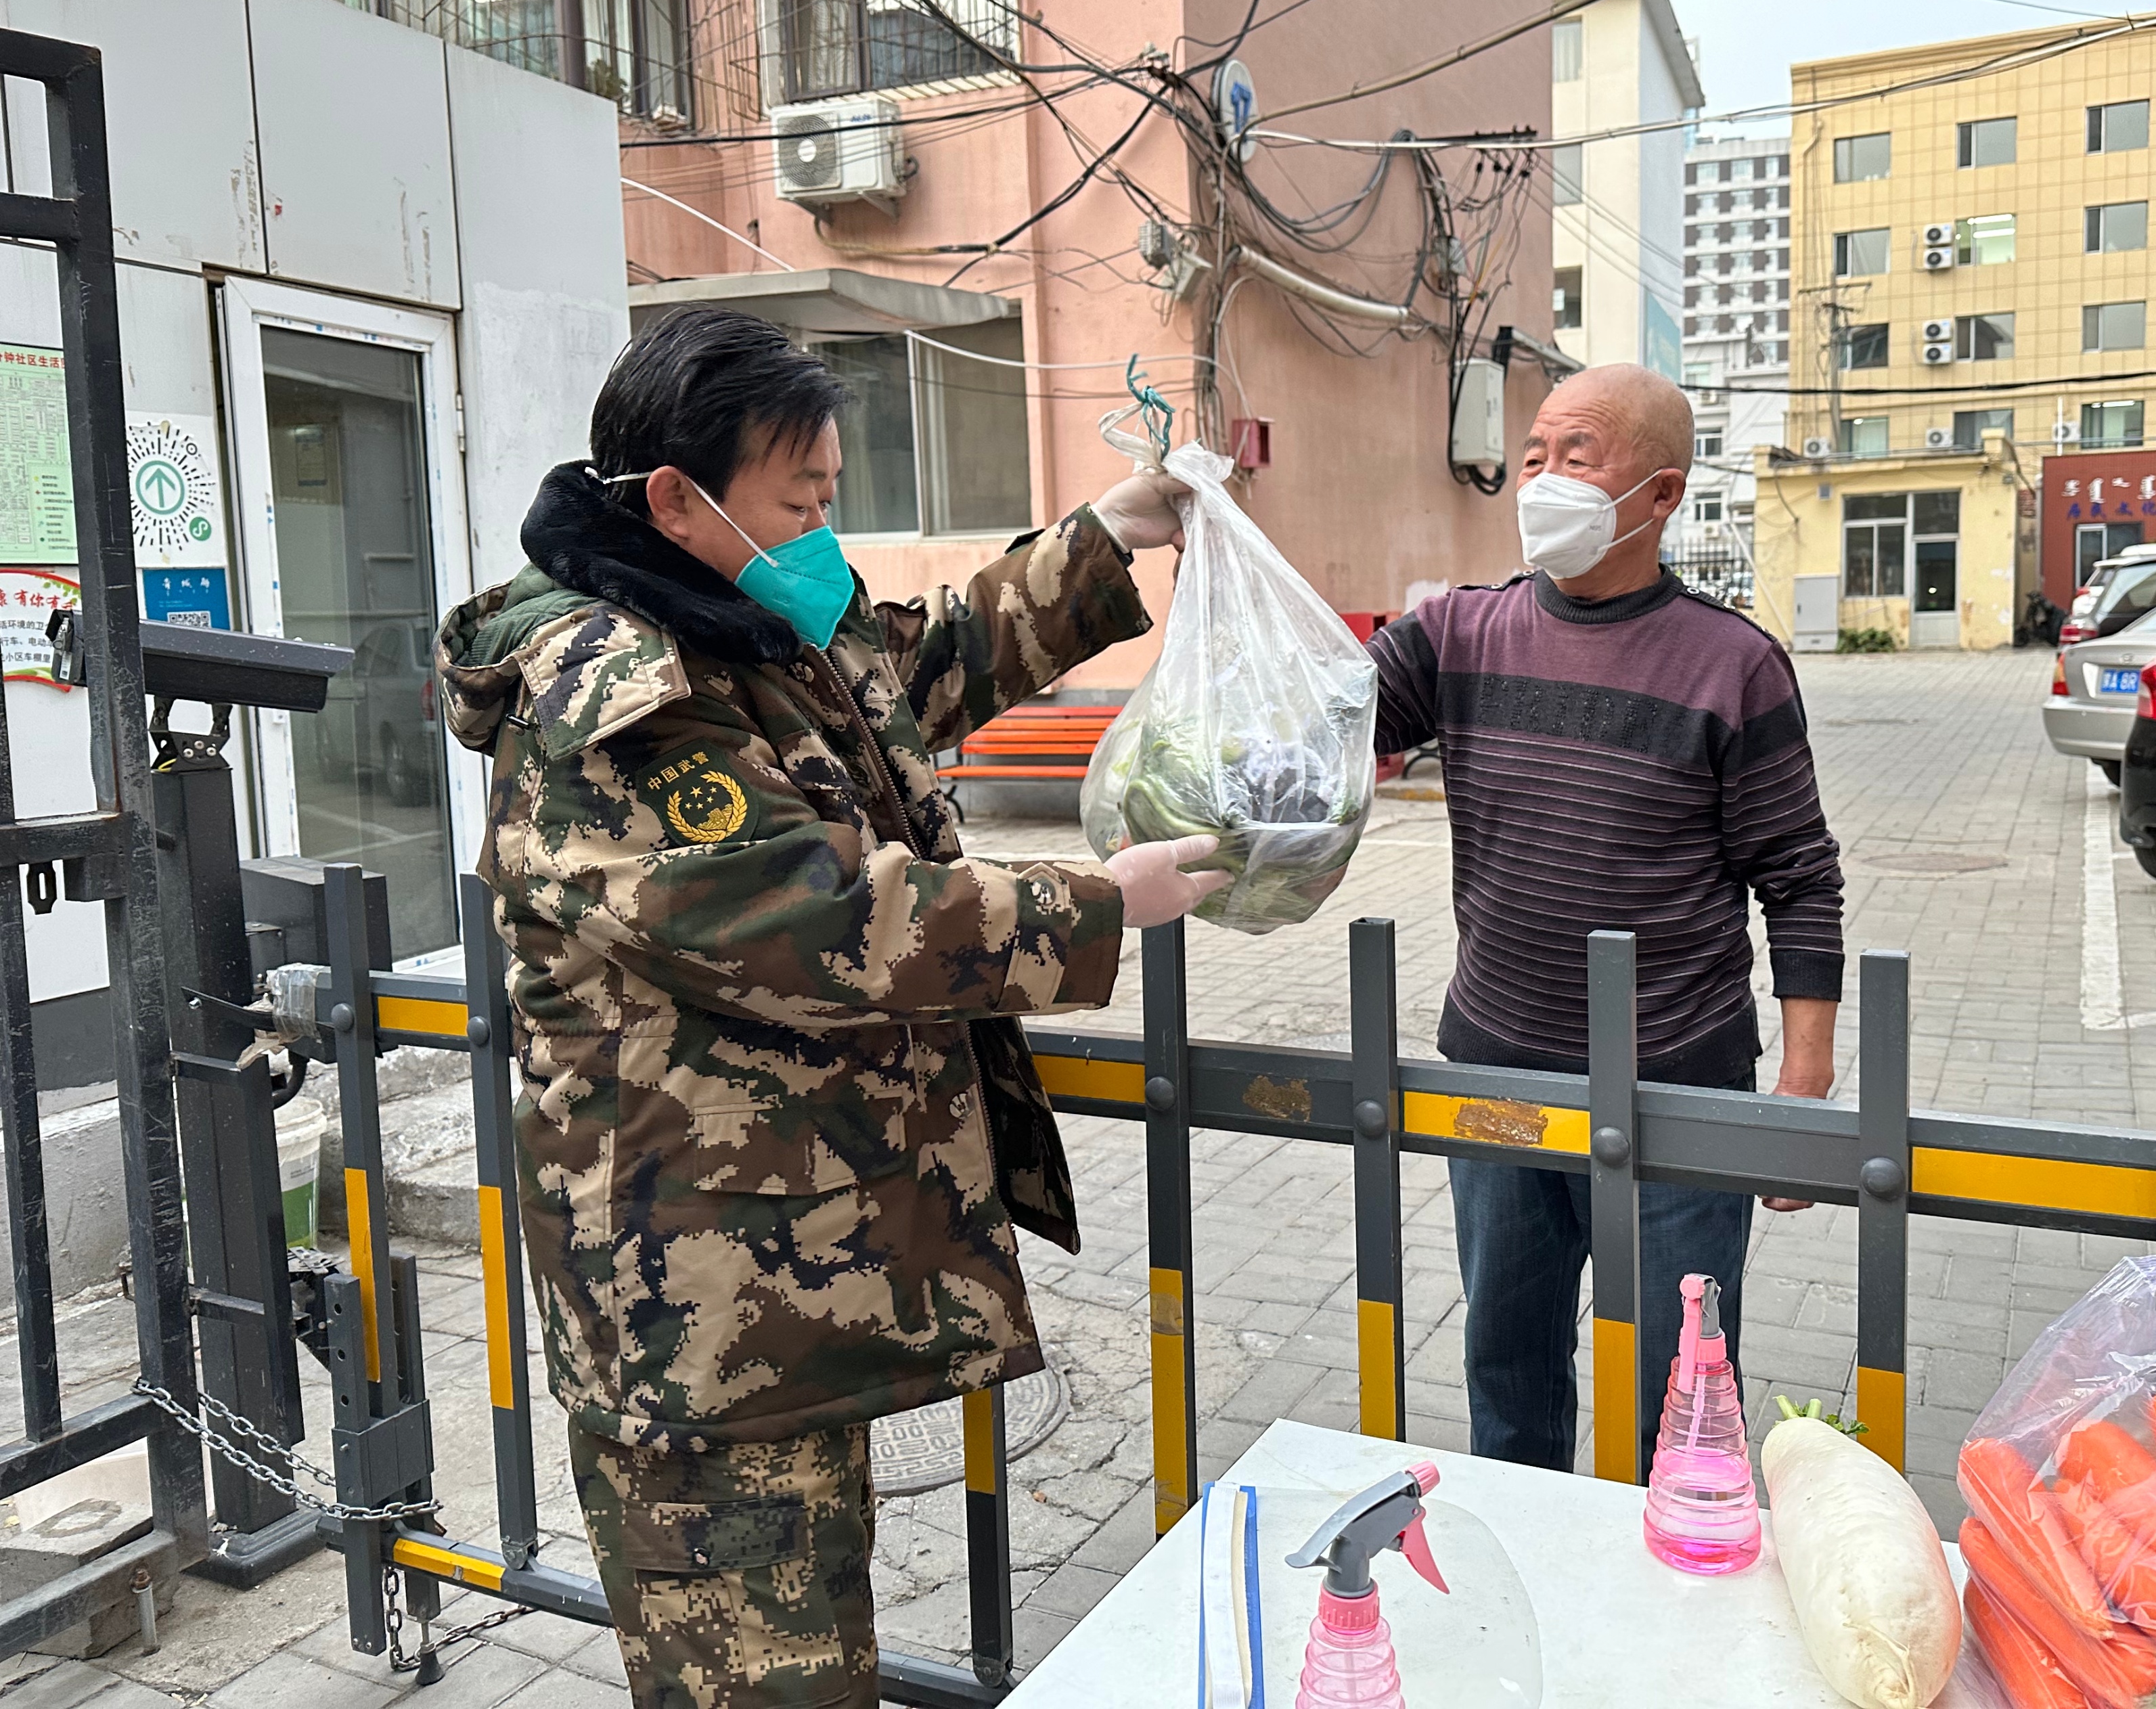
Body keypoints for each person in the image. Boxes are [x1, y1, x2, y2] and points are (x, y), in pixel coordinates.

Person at [435, 307, 1226, 1709]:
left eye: (829, 500)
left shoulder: (747, 628)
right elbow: (815, 923)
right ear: (676, 499)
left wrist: (1105, 535)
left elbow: (925, 665)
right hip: (694, 1327)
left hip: (776, 1289)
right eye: (796, 501)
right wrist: (1104, 904)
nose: (821, 532)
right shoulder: (622, 703)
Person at [1365, 362, 1845, 1476]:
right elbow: (1324, 712)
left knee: (1679, 1394)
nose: (1541, 480)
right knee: (1509, 1368)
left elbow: (1797, 873)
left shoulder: (1735, 665)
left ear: (1662, 492)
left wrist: (1804, 1083)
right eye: (1532, 457)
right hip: (1498, 1081)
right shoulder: (1458, 636)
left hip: (1677, 1088)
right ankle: (1534, 1583)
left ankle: (1670, 1596)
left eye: (1575, 457)